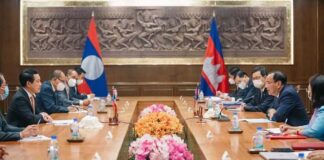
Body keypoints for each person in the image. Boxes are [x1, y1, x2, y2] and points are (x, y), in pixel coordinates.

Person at [281, 74, 324, 140]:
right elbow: (311, 126)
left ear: (317, 91)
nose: (308, 91)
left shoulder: (322, 109)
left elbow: (314, 132)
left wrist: (296, 132)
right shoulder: (318, 108)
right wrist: (291, 128)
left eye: (309, 89)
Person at [0, 73, 40, 140]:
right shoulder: (20, 97)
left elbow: (5, 127)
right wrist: (21, 134)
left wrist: (26, 130)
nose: (4, 90)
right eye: (4, 86)